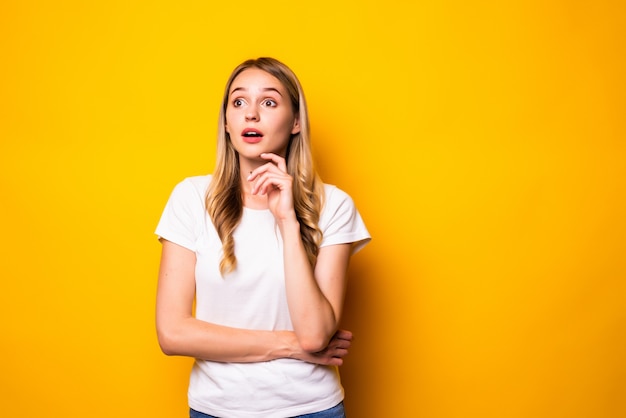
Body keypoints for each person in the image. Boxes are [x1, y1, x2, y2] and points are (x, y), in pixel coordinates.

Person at [155, 57, 370, 418]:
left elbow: (315, 337)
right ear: (226, 121)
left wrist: (287, 220)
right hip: (216, 409)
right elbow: (173, 333)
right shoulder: (190, 198)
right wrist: (288, 345)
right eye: (238, 102)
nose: (250, 114)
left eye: (269, 102)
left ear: (297, 121)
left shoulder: (334, 205)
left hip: (310, 409)